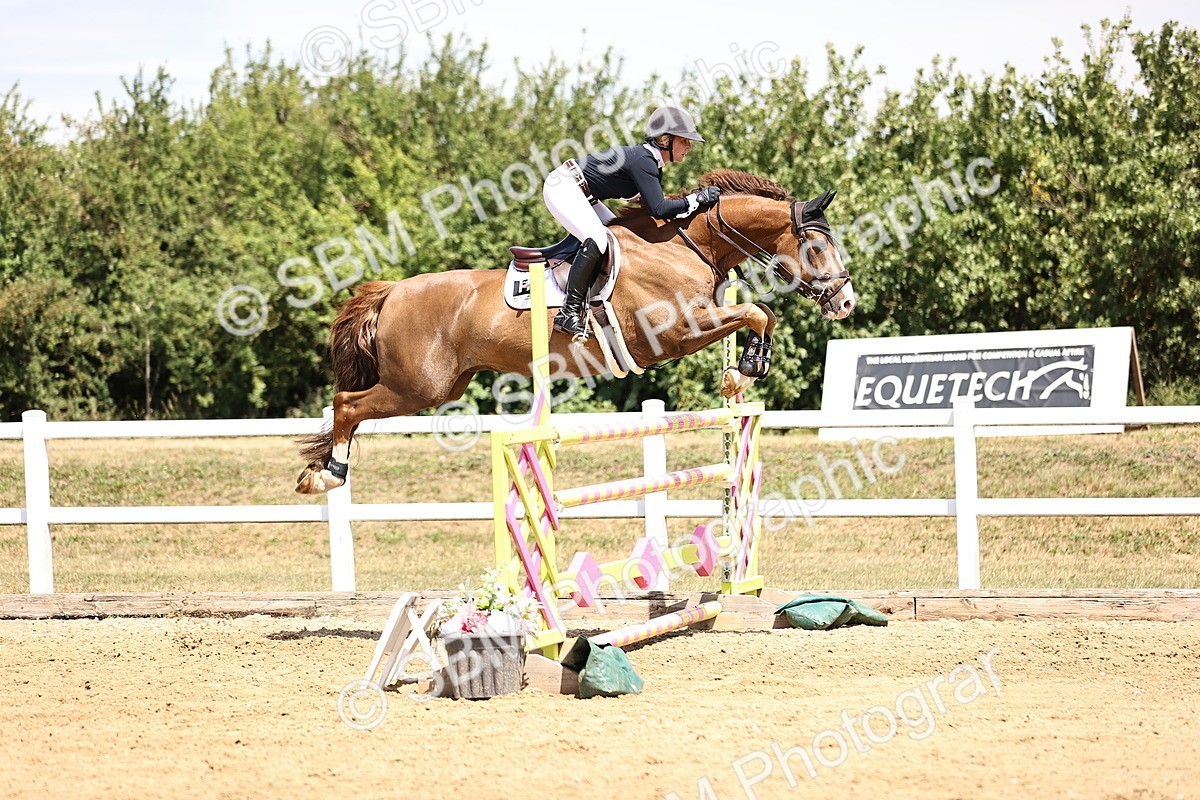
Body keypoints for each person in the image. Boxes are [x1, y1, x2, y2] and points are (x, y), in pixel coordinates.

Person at [542, 105, 722, 336]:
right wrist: (696, 199)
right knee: (597, 238)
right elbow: (659, 209)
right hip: (564, 186)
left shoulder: (650, 164)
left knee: (619, 233)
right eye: (684, 140)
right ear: (665, 139)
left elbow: (657, 211)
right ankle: (568, 312)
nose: (689, 146)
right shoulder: (644, 161)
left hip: (585, 194)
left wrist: (694, 205)